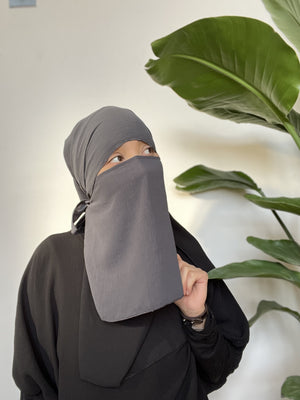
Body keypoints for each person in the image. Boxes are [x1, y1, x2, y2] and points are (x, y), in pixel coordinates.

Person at [13, 106, 249, 400]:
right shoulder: (54, 263)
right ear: (88, 176)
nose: (140, 166)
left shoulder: (180, 256)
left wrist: (197, 316)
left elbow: (219, 368)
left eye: (148, 151)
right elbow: (35, 384)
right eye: (116, 158)